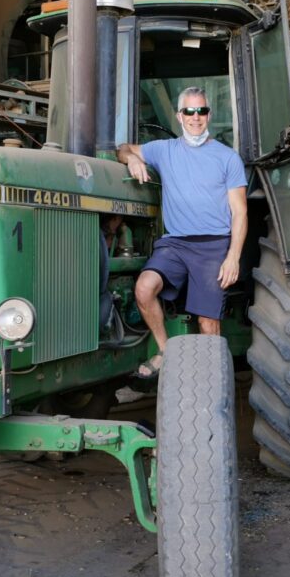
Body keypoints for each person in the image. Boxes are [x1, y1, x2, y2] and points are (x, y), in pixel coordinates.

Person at [118, 86, 247, 379]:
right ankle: (165, 351)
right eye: (189, 111)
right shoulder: (164, 150)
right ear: (179, 115)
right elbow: (123, 148)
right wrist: (133, 159)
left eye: (201, 111)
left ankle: (212, 381)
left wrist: (233, 257)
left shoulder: (227, 158)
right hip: (175, 244)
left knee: (207, 322)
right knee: (144, 288)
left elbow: (240, 212)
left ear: (209, 115)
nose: (196, 117)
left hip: (213, 245)